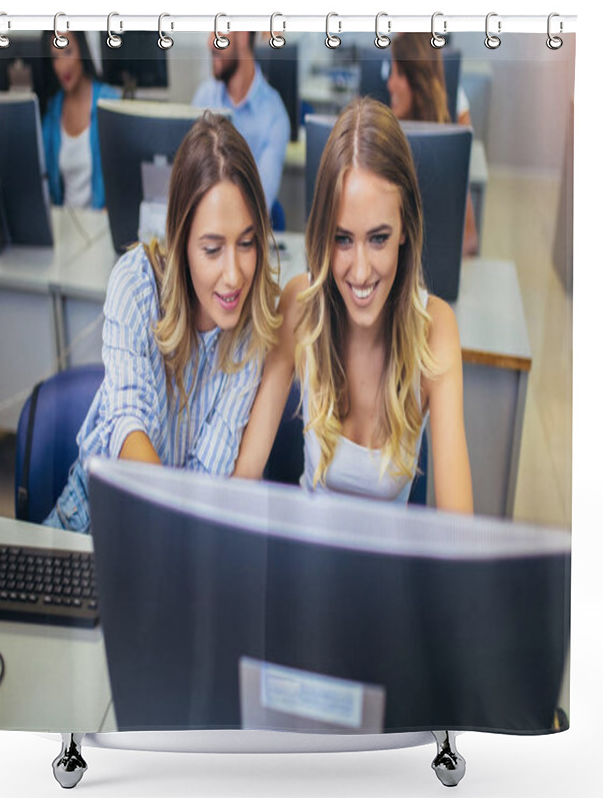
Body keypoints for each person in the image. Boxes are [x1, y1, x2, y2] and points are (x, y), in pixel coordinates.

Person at [44, 113, 281, 532]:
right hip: (93, 522)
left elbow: (213, 472)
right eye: (212, 249)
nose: (234, 275)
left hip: (182, 538)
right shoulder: (136, 285)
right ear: (181, 242)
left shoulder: (252, 323)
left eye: (246, 243)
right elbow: (127, 423)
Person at [234, 98, 473, 514]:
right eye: (342, 238)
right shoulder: (300, 306)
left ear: (404, 230)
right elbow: (244, 476)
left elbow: (458, 530)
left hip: (386, 570)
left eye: (378, 238)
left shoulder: (436, 328)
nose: (360, 272)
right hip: (308, 563)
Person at [386, 33, 479, 258]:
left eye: (398, 74)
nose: (389, 84)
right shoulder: (384, 141)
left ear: (417, 83)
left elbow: (470, 240)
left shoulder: (447, 152)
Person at [192, 31, 290, 215]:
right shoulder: (203, 98)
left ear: (244, 34)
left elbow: (258, 204)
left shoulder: (274, 116)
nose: (210, 42)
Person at [40, 31, 119, 209]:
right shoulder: (53, 111)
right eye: (55, 58)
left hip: (101, 226)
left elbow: (124, 175)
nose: (62, 66)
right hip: (64, 223)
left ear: (82, 50)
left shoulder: (109, 102)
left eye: (68, 52)